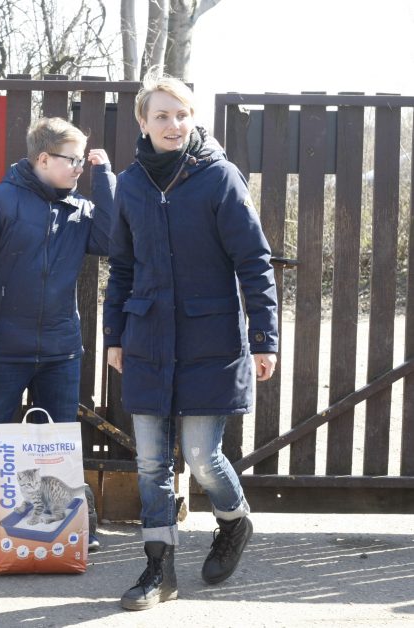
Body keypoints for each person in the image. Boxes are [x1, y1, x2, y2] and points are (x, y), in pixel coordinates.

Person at [102, 73, 279, 610]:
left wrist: (264, 336)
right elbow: (123, 267)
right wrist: (115, 335)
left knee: (202, 458)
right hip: (149, 340)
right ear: (143, 122)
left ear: (193, 118)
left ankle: (234, 520)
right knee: (152, 465)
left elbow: (254, 261)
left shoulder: (220, 179)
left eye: (181, 114)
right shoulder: (130, 184)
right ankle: (159, 570)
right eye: (162, 115)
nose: (173, 124)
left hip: (211, 338)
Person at [0, 116, 114, 548]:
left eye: (83, 160)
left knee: (58, 440)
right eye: (73, 160)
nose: (79, 167)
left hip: (61, 350)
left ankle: (60, 521)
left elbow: (114, 241)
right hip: (1, 349)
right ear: (43, 158)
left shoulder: (80, 209)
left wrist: (106, 181)